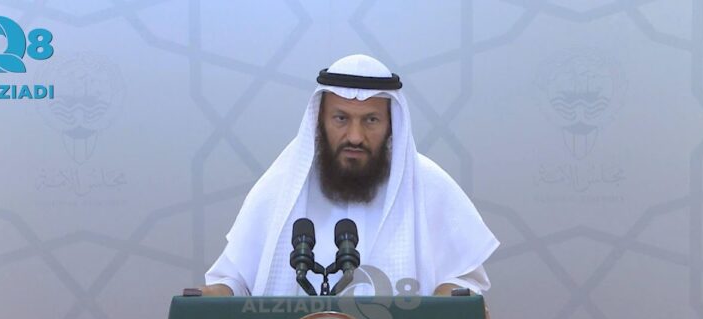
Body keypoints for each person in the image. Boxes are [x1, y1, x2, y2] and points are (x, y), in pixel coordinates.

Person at [202, 54, 498, 296]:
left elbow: (463, 280)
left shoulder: (429, 185)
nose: (355, 136)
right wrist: (214, 295)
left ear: (391, 124)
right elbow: (234, 281)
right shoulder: (281, 186)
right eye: (341, 118)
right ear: (320, 120)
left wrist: (453, 296)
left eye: (371, 120)